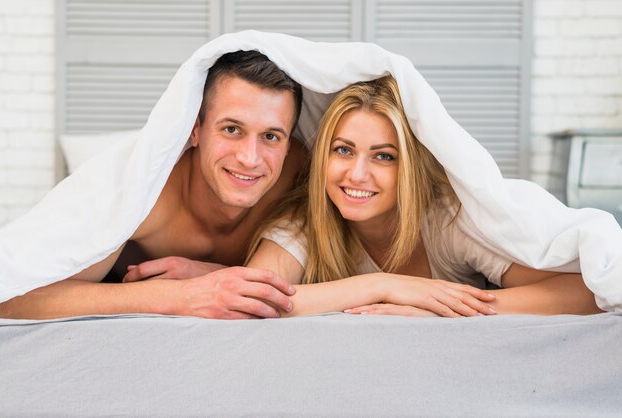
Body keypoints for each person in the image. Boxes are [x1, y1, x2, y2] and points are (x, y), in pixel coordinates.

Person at [244, 75, 602, 317]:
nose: (356, 174)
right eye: (343, 150)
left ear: (410, 168)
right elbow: (251, 299)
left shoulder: (449, 220)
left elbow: (588, 291)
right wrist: (382, 287)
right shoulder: (306, 221)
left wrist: (443, 310)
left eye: (384, 156)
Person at [0, 51, 306, 320]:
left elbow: (291, 285)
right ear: (195, 130)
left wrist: (213, 275)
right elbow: (11, 296)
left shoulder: (299, 181)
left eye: (271, 137)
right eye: (231, 129)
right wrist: (178, 296)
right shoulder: (141, 191)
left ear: (289, 143)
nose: (250, 158)